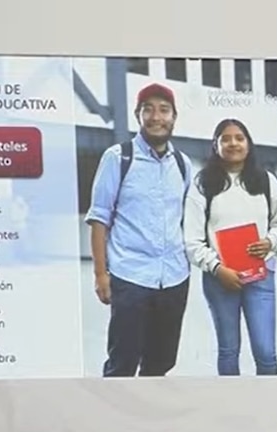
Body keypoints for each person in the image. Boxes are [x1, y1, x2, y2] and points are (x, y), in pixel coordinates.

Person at [84, 83, 194, 377]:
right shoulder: (117, 158)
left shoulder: (183, 164)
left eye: (164, 110)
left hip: (174, 279)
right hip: (130, 277)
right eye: (148, 109)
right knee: (122, 364)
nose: (156, 117)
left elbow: (187, 218)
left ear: (174, 116)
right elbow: (99, 219)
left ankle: (150, 408)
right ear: (138, 115)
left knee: (161, 364)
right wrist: (100, 274)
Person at [184, 119, 277, 376]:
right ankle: (230, 399)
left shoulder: (266, 180)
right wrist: (217, 268)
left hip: (260, 276)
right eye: (226, 138)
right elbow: (192, 240)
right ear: (215, 145)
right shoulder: (202, 184)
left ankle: (269, 398)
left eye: (239, 138)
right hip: (220, 278)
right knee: (229, 351)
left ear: (249, 144)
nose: (233, 143)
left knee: (266, 352)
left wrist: (270, 242)